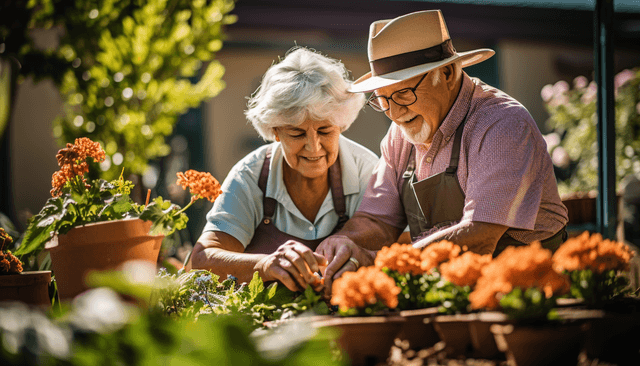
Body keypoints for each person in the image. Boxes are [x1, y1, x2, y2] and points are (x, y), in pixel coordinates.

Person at [317, 10, 569, 293]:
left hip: (529, 297)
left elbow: (480, 236)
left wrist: (379, 262)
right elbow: (377, 220)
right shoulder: (400, 135)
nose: (395, 113)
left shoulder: (501, 124)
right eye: (383, 99)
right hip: (450, 293)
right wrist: (346, 243)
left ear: (447, 73)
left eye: (403, 93)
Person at [190, 47, 379, 292]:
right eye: (297, 133)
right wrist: (265, 265)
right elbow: (202, 260)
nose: (313, 147)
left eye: (325, 131)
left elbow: (397, 248)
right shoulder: (250, 175)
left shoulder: (366, 169)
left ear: (342, 124)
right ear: (275, 132)